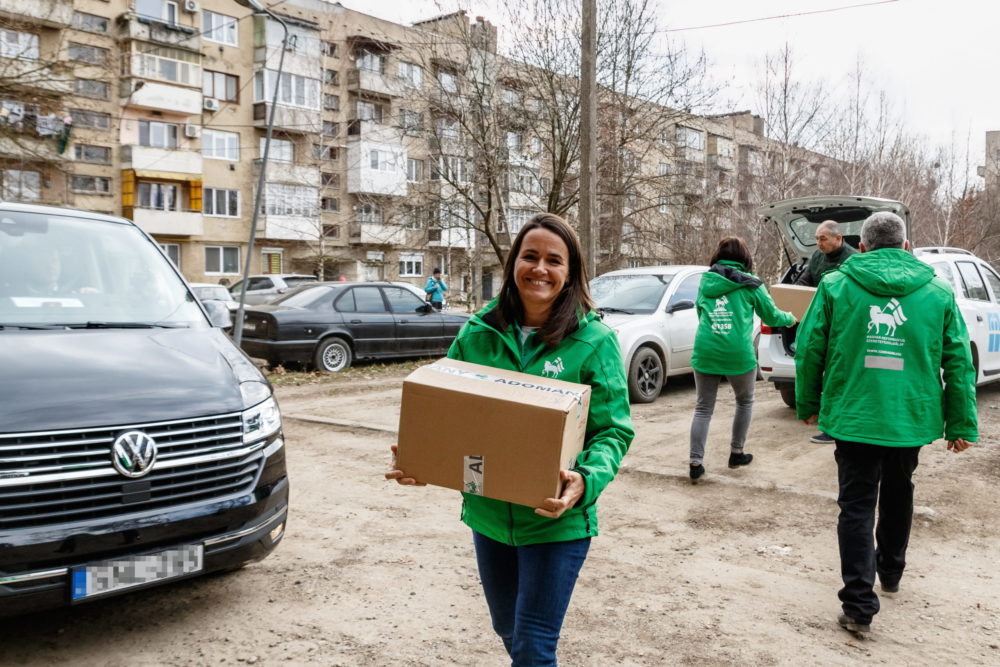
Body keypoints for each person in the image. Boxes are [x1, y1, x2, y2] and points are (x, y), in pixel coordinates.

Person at [387, 213, 634, 665]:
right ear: (514, 264)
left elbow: (613, 431)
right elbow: (448, 409)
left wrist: (585, 480)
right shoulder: (477, 333)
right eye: (530, 256)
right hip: (489, 517)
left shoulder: (594, 341)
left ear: (570, 272)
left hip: (555, 520)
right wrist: (423, 456)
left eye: (554, 261)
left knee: (533, 644)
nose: (540, 268)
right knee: (508, 628)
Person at [795, 212, 977, 636]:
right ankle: (891, 571)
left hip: (855, 414)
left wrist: (809, 403)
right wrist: (961, 423)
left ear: (862, 246)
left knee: (856, 505)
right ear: (907, 247)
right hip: (908, 415)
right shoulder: (937, 292)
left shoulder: (836, 285)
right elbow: (958, 360)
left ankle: (859, 605)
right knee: (899, 490)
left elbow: (810, 349)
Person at [687, 237, 796, 483]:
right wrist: (791, 317)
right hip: (738, 351)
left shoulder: (706, 281)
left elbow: (700, 311)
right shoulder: (752, 285)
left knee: (703, 408)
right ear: (745, 258)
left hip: (706, 348)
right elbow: (771, 315)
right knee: (744, 402)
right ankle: (736, 453)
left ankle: (696, 463)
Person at [795, 220, 858, 444]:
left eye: (823, 238)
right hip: (819, 322)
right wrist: (792, 296)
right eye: (816, 239)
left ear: (838, 238)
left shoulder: (853, 259)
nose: (818, 243)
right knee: (819, 374)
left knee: (835, 377)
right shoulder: (816, 257)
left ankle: (834, 428)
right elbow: (805, 281)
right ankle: (828, 422)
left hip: (841, 327)